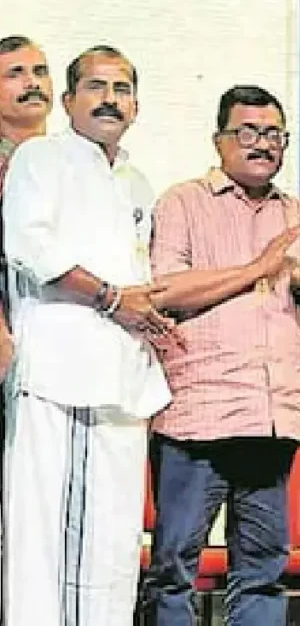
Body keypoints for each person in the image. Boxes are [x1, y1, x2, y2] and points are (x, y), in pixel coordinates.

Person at [142, 85, 300, 624]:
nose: (262, 144)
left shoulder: (293, 211)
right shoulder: (183, 202)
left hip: (271, 414)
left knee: (262, 571)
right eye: (248, 132)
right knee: (174, 568)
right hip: (199, 414)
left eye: (274, 134)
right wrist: (257, 269)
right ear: (219, 140)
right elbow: (165, 292)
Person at [3, 45, 173, 625]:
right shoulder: (41, 157)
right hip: (62, 377)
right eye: (96, 87)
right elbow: (28, 247)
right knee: (48, 541)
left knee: (113, 545)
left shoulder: (136, 181)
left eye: (122, 89)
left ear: (136, 106)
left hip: (123, 382)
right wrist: (111, 299)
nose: (110, 100)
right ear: (69, 99)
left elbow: (140, 278)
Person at [0, 31, 53, 626]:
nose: (32, 83)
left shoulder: (68, 163)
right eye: (16, 73)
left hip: (50, 365)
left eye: (39, 72)